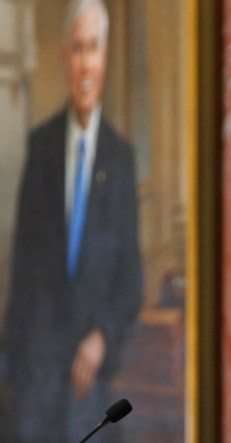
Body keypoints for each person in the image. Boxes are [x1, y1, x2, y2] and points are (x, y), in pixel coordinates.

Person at [4, 0, 143, 441]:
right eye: (78, 49)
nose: (85, 63)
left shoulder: (120, 159)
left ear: (105, 58)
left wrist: (102, 334)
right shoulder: (41, 147)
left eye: (94, 49)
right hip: (35, 381)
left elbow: (130, 278)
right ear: (67, 57)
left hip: (93, 385)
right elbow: (23, 271)